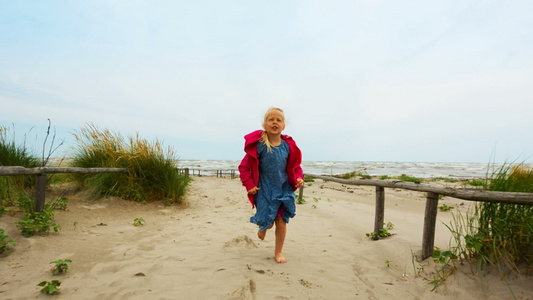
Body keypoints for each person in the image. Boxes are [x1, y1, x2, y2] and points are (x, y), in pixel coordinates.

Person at [238, 107, 304, 263]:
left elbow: (296, 167)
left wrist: (298, 178)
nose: (275, 122)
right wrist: (249, 185)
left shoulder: (288, 146)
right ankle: (263, 227)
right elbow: (244, 167)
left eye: (278, 120)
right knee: (267, 222)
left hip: (283, 190)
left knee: (281, 220)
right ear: (265, 125)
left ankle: (278, 252)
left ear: (283, 126)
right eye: (271, 119)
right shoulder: (260, 145)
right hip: (264, 190)